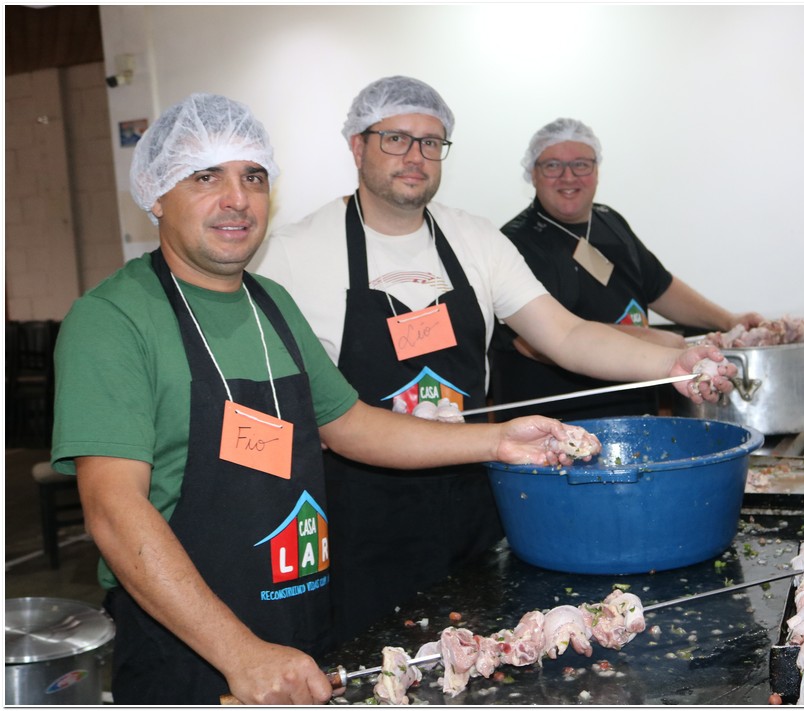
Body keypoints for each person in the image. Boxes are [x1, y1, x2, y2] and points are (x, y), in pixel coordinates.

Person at [50, 93, 602, 706]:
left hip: (300, 621)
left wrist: (498, 440)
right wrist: (239, 653)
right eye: (206, 177)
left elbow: (353, 425)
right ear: (156, 194)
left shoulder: (270, 303)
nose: (237, 198)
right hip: (193, 647)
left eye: (253, 177)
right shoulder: (113, 320)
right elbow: (113, 511)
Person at [251, 76, 736, 642]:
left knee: (484, 656)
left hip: (472, 504)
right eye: (395, 139)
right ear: (357, 146)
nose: (415, 156)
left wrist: (670, 365)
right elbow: (294, 409)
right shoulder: (295, 254)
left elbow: (566, 334)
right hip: (365, 515)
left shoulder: (474, 239)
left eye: (431, 142)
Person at [490, 117, 765, 421]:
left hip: (634, 413)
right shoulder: (515, 242)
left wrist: (729, 320)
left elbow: (660, 287)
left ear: (596, 170)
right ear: (532, 173)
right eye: (552, 165)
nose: (568, 177)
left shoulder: (609, 220)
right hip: (556, 422)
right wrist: (650, 343)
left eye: (581, 164)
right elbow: (540, 340)